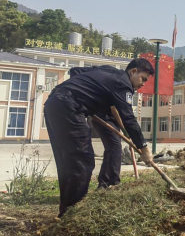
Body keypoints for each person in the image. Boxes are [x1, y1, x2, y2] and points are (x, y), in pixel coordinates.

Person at [44, 58, 155, 217]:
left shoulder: (108, 71)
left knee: (68, 161)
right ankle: (72, 214)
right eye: (142, 79)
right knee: (83, 160)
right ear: (133, 71)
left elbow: (75, 71)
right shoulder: (123, 84)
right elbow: (129, 118)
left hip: (54, 102)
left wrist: (86, 96)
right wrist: (144, 148)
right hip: (70, 108)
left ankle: (67, 211)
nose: (143, 83)